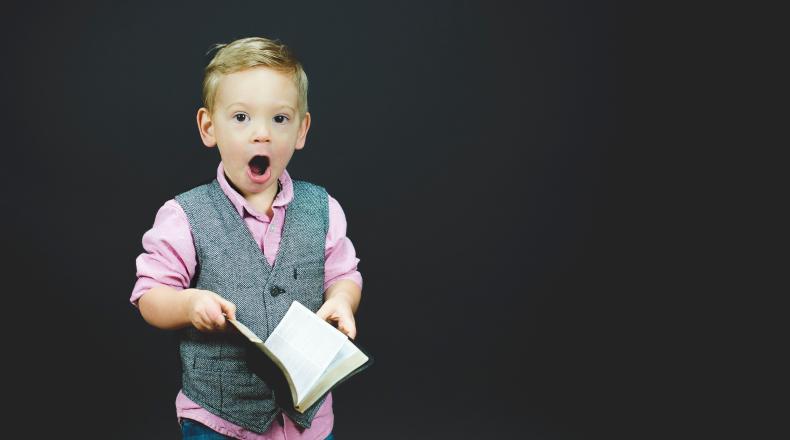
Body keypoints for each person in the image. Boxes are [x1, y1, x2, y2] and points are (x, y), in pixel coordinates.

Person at [130, 36, 362, 440]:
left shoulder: (323, 208)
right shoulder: (184, 216)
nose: (262, 134)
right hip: (219, 421)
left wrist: (341, 299)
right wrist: (188, 303)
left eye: (280, 119)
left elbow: (344, 273)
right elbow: (149, 296)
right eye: (241, 118)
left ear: (302, 130)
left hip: (307, 420)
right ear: (208, 127)